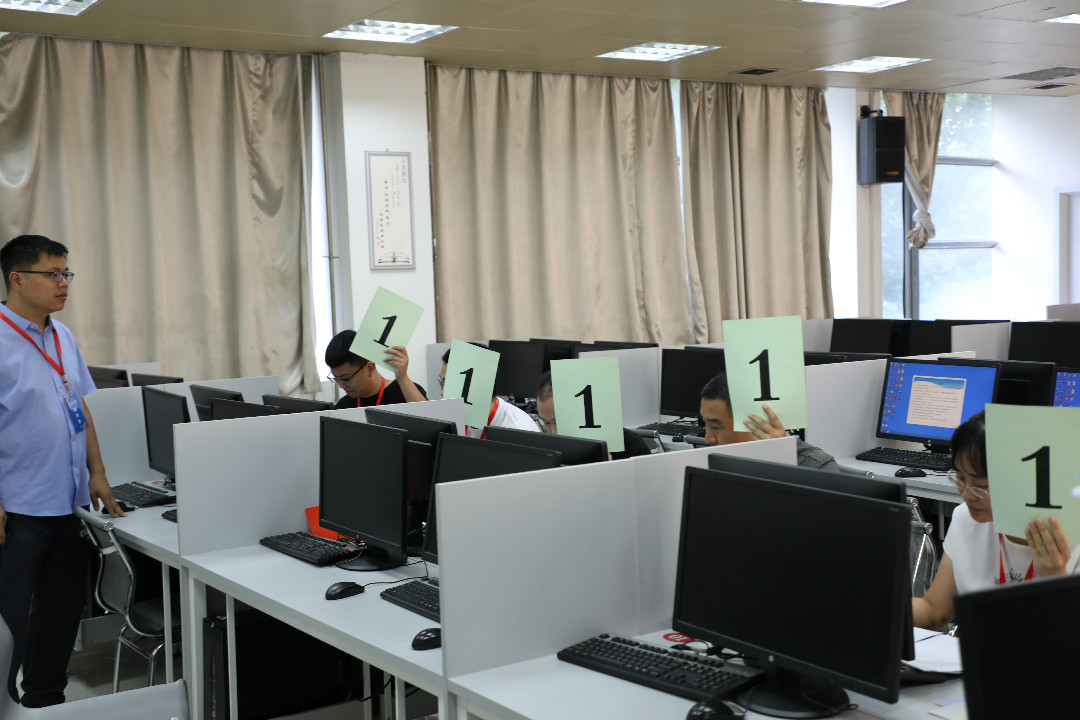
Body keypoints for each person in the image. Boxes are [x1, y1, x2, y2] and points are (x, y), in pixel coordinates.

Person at [0, 235, 124, 707]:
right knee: (9, 618)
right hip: (18, 507)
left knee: (60, 611)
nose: (63, 283)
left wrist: (98, 472)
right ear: (17, 279)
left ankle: (44, 699)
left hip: (67, 502)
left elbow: (79, 408)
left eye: (66, 274)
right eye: (52, 274)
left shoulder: (62, 336)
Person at [913, 411, 1080, 630]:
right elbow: (935, 611)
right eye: (960, 478)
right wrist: (885, 606)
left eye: (982, 487)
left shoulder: (1073, 538)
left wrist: (1056, 580)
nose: (967, 494)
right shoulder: (966, 518)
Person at [698, 372, 839, 471]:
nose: (708, 438)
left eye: (715, 426)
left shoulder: (815, 466)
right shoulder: (712, 462)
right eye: (705, 424)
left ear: (754, 423)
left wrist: (777, 460)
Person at [534, 372, 651, 460]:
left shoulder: (631, 446)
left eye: (559, 422)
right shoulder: (545, 449)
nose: (554, 432)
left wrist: (610, 470)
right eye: (547, 423)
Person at [439, 347, 538, 437]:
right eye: (442, 382)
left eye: (451, 384)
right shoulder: (453, 420)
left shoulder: (516, 431)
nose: (442, 393)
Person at [324, 329, 426, 409]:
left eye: (346, 379)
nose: (341, 386)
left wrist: (402, 378)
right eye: (337, 379)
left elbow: (428, 420)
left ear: (369, 368)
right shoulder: (343, 407)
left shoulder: (404, 392)